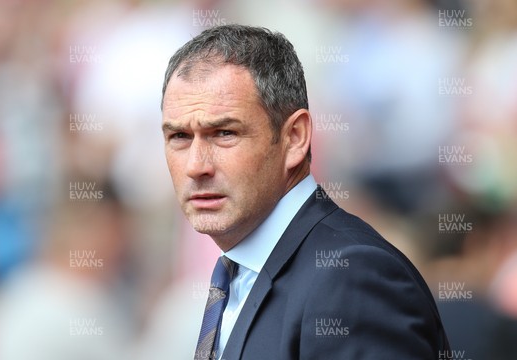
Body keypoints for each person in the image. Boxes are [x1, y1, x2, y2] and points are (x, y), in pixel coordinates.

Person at [160, 24, 450, 359]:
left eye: (224, 133)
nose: (196, 166)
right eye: (179, 137)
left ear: (295, 138)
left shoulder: (351, 275)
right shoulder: (239, 274)